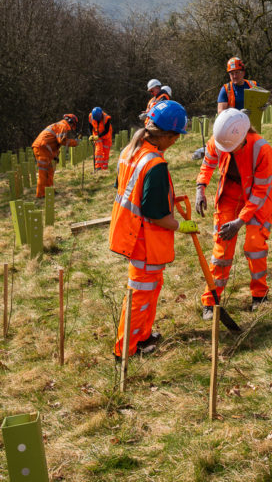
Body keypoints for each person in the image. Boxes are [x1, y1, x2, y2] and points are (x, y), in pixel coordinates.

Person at [110, 100, 198, 359]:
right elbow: (154, 214)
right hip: (142, 239)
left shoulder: (131, 150)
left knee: (150, 288)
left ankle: (142, 336)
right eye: (175, 137)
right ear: (167, 135)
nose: (176, 142)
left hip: (129, 232)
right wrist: (182, 225)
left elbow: (128, 189)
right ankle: (125, 350)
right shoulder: (155, 164)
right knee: (140, 294)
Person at [195, 108, 272, 317]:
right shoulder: (220, 139)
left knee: (254, 245)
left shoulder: (262, 149)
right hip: (229, 194)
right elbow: (208, 163)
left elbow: (259, 192)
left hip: (258, 199)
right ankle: (211, 300)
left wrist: (240, 222)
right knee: (221, 249)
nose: (227, 150)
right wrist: (200, 188)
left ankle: (260, 296)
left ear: (243, 137)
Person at [31, 114, 80, 198]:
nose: (72, 127)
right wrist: (75, 142)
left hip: (44, 148)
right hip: (41, 148)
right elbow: (62, 141)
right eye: (72, 124)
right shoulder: (63, 126)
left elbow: (55, 143)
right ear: (70, 121)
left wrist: (55, 156)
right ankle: (41, 194)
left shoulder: (60, 126)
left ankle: (50, 191)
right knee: (43, 172)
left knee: (50, 171)